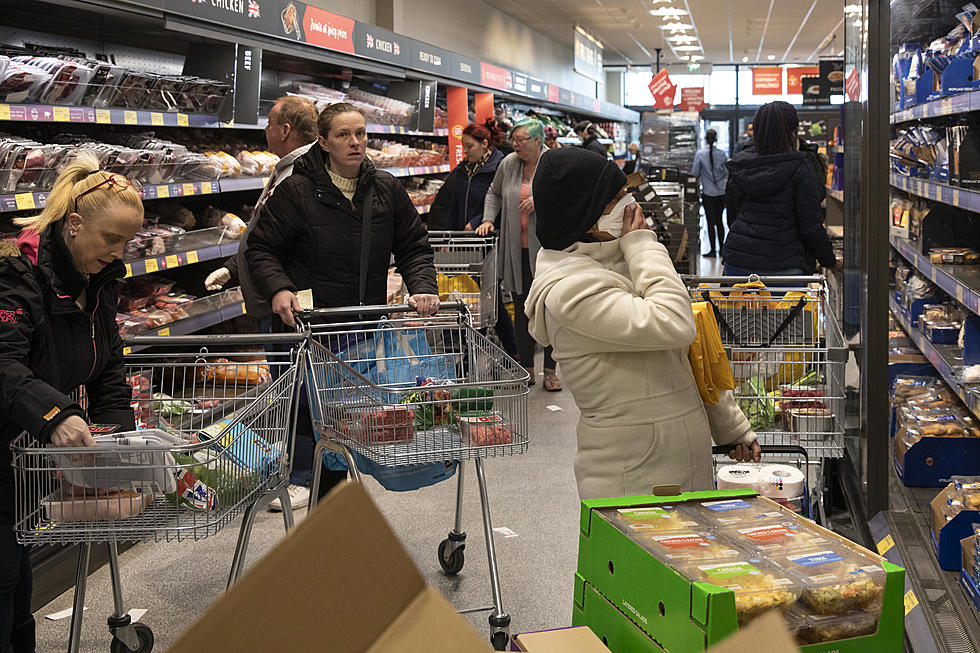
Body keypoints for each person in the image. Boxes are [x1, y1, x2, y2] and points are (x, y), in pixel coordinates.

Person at [523, 147, 760, 499]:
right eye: (616, 197)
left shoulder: (616, 259)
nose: (631, 203)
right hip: (632, 475)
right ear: (585, 216)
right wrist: (643, 245)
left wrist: (731, 427)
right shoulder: (569, 291)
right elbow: (674, 323)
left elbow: (682, 357)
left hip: (676, 465)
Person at [246, 102, 440, 496]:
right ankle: (324, 512)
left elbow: (414, 247)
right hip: (311, 330)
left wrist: (422, 286)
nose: (355, 143)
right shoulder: (296, 190)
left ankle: (335, 515)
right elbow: (262, 249)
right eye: (343, 135)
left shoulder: (386, 188)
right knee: (321, 425)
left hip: (361, 329)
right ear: (323, 142)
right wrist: (279, 288)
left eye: (361, 134)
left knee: (354, 423)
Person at [0, 153, 144, 652]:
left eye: (128, 240)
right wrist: (56, 414)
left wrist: (123, 441)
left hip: (23, 460)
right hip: (8, 445)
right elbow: (4, 364)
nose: (120, 250)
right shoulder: (16, 278)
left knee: (17, 587)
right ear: (75, 224)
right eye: (112, 239)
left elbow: (108, 370)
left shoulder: (96, 285)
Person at [203, 95, 318, 512]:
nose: (265, 129)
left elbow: (285, 243)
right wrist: (235, 269)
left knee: (299, 390)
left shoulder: (303, 173)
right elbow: (264, 236)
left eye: (270, 121)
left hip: (288, 302)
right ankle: (299, 467)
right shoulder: (284, 170)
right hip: (276, 299)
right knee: (292, 388)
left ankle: (304, 475)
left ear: (285, 129)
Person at [477, 119, 562, 392]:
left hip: (548, 252)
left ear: (538, 141)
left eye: (522, 140)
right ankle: (526, 368)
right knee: (523, 309)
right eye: (514, 139)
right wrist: (488, 219)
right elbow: (494, 192)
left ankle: (550, 370)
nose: (516, 145)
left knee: (549, 311)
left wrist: (541, 202)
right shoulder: (509, 164)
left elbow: (568, 198)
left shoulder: (555, 163)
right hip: (517, 251)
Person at [425, 119, 519, 359]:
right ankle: (463, 356)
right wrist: (447, 238)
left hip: (486, 243)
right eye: (464, 146)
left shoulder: (498, 167)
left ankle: (514, 353)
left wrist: (478, 222)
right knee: (459, 299)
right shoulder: (464, 169)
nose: (465, 151)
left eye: (469, 146)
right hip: (461, 244)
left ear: (484, 144)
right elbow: (452, 205)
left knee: (490, 302)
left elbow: (499, 203)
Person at [723, 102, 837, 276]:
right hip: (785, 266)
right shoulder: (800, 166)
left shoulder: (741, 163)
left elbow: (732, 215)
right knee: (787, 305)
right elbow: (811, 225)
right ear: (792, 132)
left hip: (738, 262)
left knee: (741, 304)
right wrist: (829, 260)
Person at [691, 129, 728, 255]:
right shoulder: (722, 154)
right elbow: (727, 172)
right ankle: (722, 250)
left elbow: (695, 173)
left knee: (710, 222)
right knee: (720, 222)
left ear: (706, 139)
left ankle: (712, 250)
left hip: (708, 193)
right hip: (721, 192)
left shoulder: (700, 154)